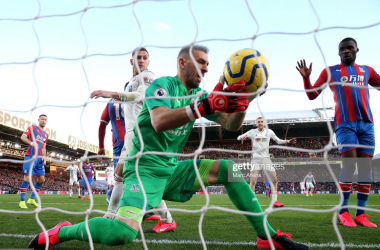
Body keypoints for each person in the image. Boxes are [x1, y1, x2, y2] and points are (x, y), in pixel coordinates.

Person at [28, 45, 310, 250]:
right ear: (183, 63)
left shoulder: (199, 95)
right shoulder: (162, 86)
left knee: (231, 170)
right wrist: (201, 107)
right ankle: (61, 232)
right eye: (200, 62)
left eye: (208, 65)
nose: (206, 68)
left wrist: (244, 101)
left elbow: (232, 125)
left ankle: (267, 237)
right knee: (120, 234)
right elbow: (160, 120)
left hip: (173, 169)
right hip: (143, 172)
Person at [296, 37, 380, 227]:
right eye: (342, 49)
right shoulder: (330, 71)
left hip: (367, 124)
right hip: (345, 124)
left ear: (357, 49)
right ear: (338, 52)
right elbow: (312, 95)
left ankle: (361, 214)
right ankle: (343, 212)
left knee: (366, 168)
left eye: (349, 48)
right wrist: (306, 78)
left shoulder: (367, 70)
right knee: (350, 165)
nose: (346, 51)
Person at [91, 47, 171, 231]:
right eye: (138, 58)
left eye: (144, 58)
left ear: (148, 61)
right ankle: (111, 215)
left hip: (140, 136)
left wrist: (109, 93)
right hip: (131, 136)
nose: (141, 61)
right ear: (131, 61)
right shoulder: (131, 81)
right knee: (120, 178)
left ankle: (166, 220)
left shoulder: (148, 76)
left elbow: (141, 96)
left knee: (140, 180)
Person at [237, 117, 296, 207]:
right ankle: (251, 202)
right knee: (253, 181)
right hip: (256, 160)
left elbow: (278, 141)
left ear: (264, 123)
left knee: (274, 180)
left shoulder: (270, 132)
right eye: (258, 122)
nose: (260, 123)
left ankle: (275, 201)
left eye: (262, 122)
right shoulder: (252, 132)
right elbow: (238, 137)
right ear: (256, 124)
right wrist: (241, 137)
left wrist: (287, 141)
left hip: (266, 159)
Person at [19, 114, 49, 209]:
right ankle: (22, 201)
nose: (44, 121)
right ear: (38, 120)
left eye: (45, 119)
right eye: (42, 119)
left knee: (42, 180)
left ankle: (31, 199)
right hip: (31, 156)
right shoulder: (33, 127)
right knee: (27, 178)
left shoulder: (46, 134)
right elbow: (23, 137)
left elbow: (43, 146)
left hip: (39, 159)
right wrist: (31, 143)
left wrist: (44, 157)